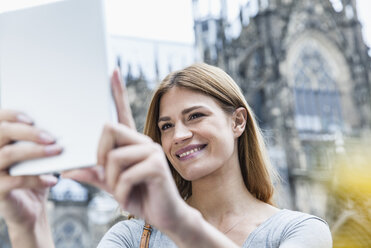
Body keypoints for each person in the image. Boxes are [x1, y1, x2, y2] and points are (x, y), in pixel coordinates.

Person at [0, 63, 332, 247]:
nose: (179, 135)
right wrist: (28, 226)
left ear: (238, 121)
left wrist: (176, 221)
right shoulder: (132, 237)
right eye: (166, 125)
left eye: (195, 116)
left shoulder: (299, 232)